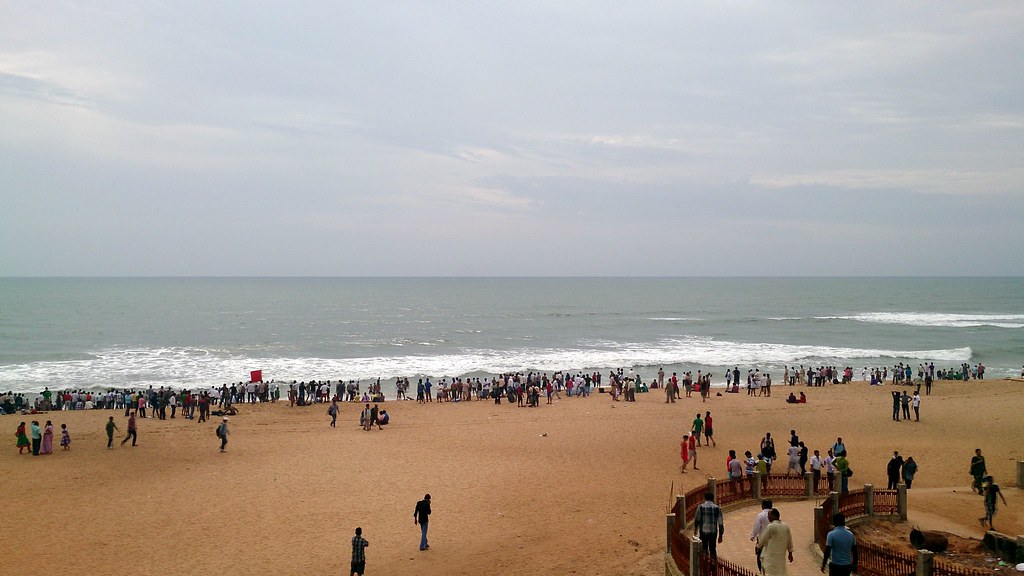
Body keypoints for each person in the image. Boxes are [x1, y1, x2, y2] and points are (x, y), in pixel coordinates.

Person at [758, 508, 794, 576]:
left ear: (774, 516)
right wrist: (790, 553)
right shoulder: (786, 526)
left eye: (769, 515)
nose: (768, 517)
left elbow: (763, 540)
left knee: (770, 572)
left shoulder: (770, 527)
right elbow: (790, 541)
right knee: (781, 571)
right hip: (781, 556)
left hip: (770, 556)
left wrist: (758, 547)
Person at [693, 492, 724, 558]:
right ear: (713, 499)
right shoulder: (717, 508)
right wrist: (721, 535)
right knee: (712, 548)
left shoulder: (700, 507)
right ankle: (713, 564)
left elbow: (697, 520)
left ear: (705, 498)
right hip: (713, 532)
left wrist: (695, 530)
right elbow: (720, 523)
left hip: (703, 531)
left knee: (704, 548)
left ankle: (704, 563)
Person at [750, 499, 772, 574]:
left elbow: (757, 527)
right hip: (772, 539)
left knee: (759, 556)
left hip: (762, 539)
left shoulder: (761, 515)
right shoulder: (774, 514)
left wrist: (753, 535)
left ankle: (761, 571)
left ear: (762, 506)